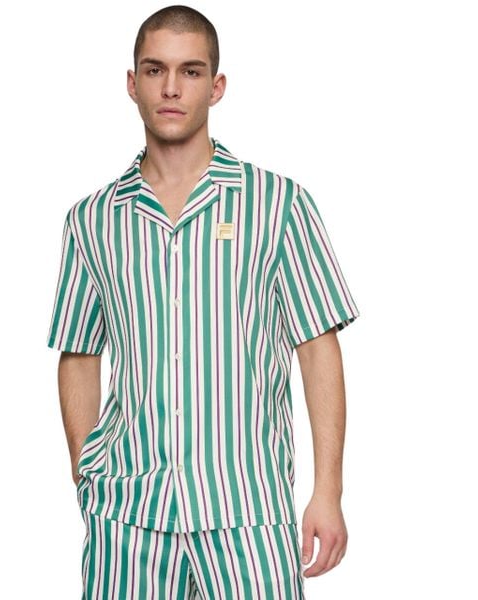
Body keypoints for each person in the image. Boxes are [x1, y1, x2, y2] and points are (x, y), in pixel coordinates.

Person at [46, 5, 360, 599]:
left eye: (190, 71)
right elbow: (79, 353)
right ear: (132, 82)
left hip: (247, 511)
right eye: (155, 70)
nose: (171, 88)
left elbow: (318, 349)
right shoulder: (91, 220)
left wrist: (328, 491)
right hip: (128, 516)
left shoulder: (278, 204)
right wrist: (87, 477)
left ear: (216, 87)